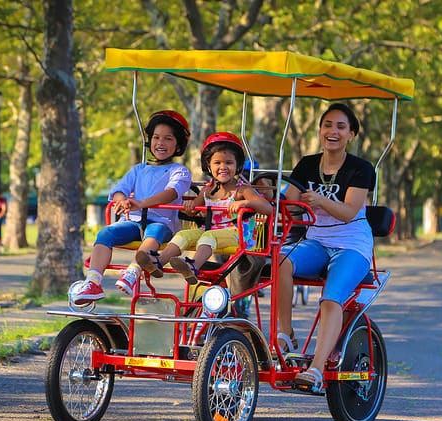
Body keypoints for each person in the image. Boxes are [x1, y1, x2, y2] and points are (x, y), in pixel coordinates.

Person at [276, 102, 376, 393]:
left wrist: (319, 201)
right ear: (319, 130)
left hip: (352, 246)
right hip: (316, 241)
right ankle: (286, 334)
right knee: (281, 262)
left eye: (341, 127)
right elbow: (287, 202)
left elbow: (348, 211)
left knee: (331, 298)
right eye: (328, 125)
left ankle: (316, 369)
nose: (333, 131)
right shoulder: (307, 164)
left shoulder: (360, 169)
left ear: (351, 135)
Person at [69, 110, 192, 305]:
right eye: (156, 137)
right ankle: (93, 281)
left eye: (168, 139)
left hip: (161, 223)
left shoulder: (180, 171)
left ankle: (133, 271)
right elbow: (119, 190)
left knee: (155, 231)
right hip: (133, 222)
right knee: (106, 233)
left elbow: (172, 192)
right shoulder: (139, 170)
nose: (161, 143)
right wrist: (122, 200)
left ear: (178, 144)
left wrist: (142, 203)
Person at [135, 132, 272, 285]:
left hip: (238, 235)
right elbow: (194, 209)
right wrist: (189, 208)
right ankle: (159, 261)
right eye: (217, 163)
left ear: (237, 165)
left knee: (209, 236)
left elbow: (267, 208)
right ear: (209, 166)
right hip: (209, 232)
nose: (223, 167)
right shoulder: (207, 190)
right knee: (184, 234)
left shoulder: (242, 190)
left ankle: (193, 266)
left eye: (229, 163)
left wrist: (246, 203)